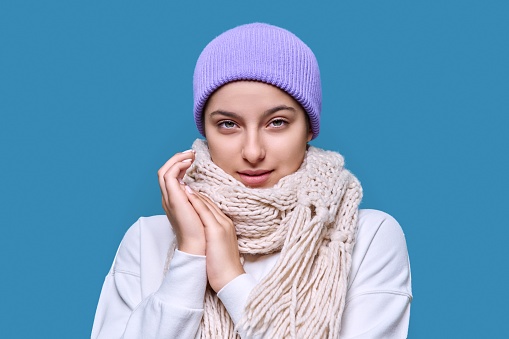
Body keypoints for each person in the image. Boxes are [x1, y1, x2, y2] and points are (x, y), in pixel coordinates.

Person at [91, 23, 412, 338]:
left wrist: (230, 279)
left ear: (309, 128)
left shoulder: (367, 237)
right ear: (205, 130)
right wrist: (190, 256)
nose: (253, 151)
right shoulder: (148, 239)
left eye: (277, 122)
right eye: (229, 124)